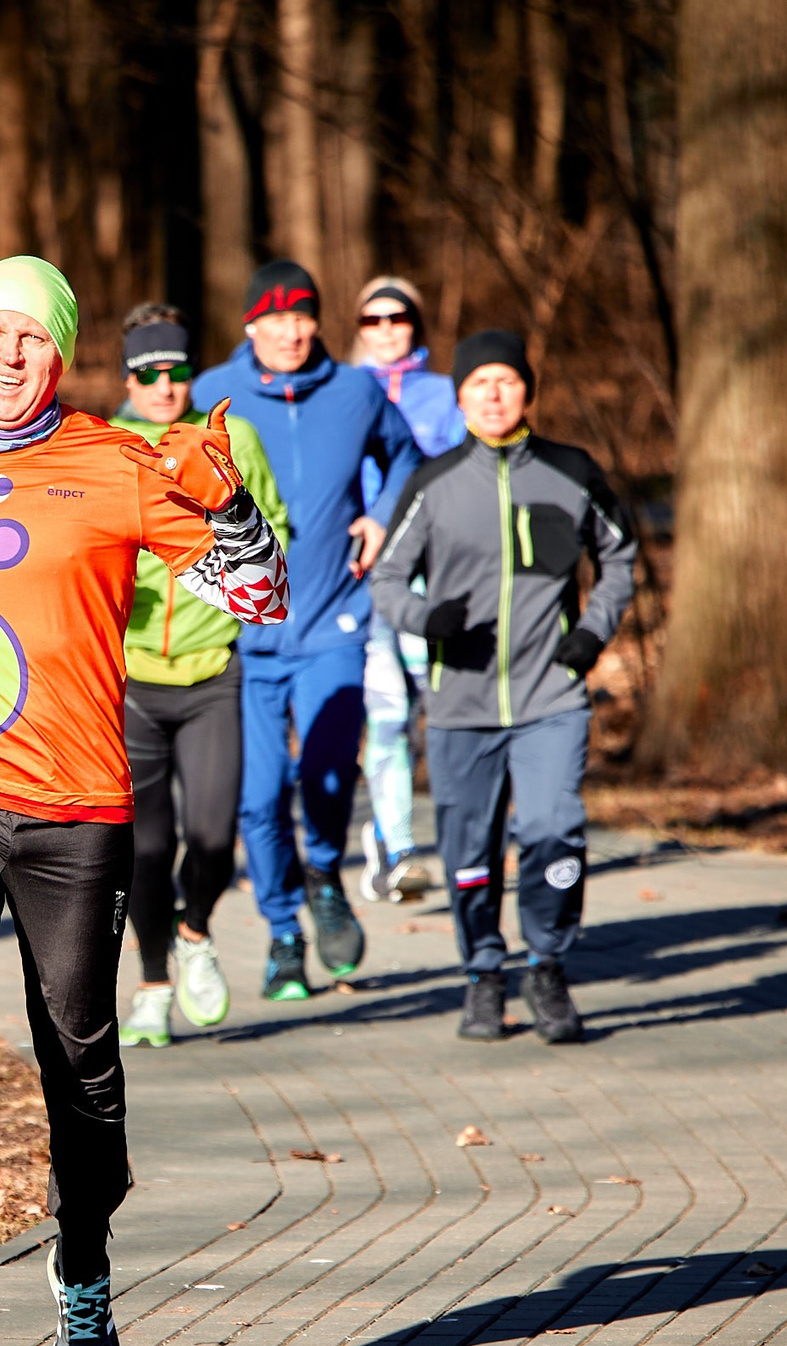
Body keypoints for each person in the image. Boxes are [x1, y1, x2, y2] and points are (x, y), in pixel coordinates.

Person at [0, 257, 287, 1346]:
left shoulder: (114, 461)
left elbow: (261, 597)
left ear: (61, 353)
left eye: (30, 338)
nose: (7, 354)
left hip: (76, 805)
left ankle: (82, 1264)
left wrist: (227, 503)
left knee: (79, 1056)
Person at [369, 330, 637, 1045]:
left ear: (528, 391)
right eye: (478, 383)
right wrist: (428, 620)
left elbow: (620, 556)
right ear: (457, 396)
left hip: (552, 694)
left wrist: (589, 638)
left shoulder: (572, 471)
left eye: (506, 381)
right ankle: (484, 973)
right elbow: (387, 579)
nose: (493, 394)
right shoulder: (433, 483)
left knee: (554, 829)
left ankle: (548, 964)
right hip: (460, 701)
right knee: (469, 851)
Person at [193, 261, 420, 1002]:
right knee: (257, 799)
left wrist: (382, 516)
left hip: (334, 620)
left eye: (303, 316)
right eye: (274, 317)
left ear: (317, 322)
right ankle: (284, 930)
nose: (290, 330)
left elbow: (409, 455)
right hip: (245, 637)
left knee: (325, 773)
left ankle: (323, 870)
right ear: (249, 325)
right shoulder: (209, 399)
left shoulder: (357, 392)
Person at [108, 304, 291, 1049]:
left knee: (214, 834)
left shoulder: (234, 436)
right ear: (126, 379)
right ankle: (152, 987)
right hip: (134, 678)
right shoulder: (107, 445)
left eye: (177, 371)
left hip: (214, 667)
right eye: (148, 374)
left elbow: (272, 528)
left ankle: (196, 932)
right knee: (148, 847)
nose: (164, 386)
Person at [350, 275, 467, 905]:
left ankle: (455, 834)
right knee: (387, 713)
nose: (386, 328)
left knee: (438, 703)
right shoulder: (343, 392)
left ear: (416, 324)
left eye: (398, 317)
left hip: (430, 572)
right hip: (365, 574)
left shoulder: (446, 394)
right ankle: (397, 850)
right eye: (372, 319)